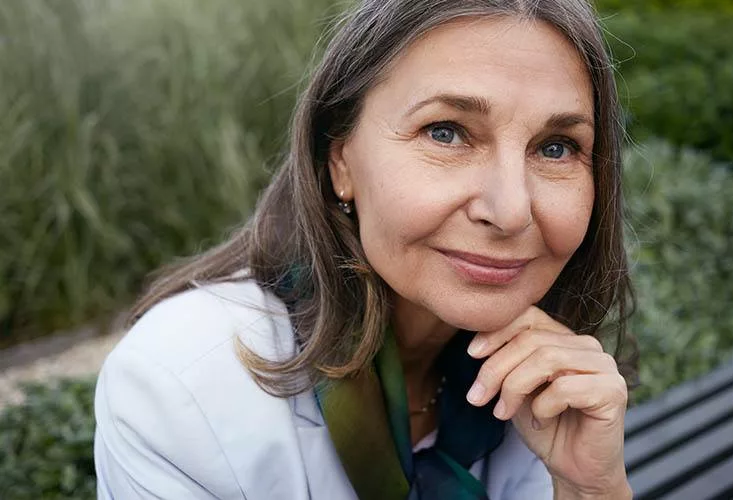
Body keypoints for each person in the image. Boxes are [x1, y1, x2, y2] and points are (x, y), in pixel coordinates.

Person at [94, 0, 638, 498]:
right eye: (446, 132)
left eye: (556, 147)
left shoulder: (552, 386)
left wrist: (591, 488)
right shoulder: (178, 388)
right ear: (341, 161)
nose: (512, 208)